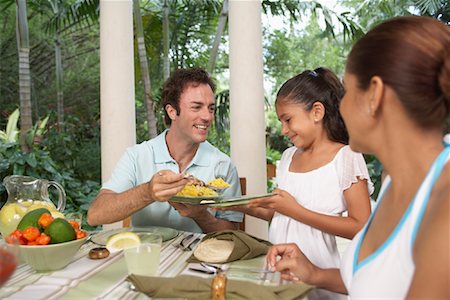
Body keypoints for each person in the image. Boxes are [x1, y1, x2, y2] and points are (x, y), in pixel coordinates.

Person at [267, 16, 450, 299]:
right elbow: (377, 281)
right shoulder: (395, 181)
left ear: (374, 94)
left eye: (348, 92)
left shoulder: (444, 203)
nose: (341, 108)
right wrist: (314, 273)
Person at [220, 67, 373, 299]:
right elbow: (280, 215)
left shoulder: (346, 157)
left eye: (288, 119)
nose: (283, 130)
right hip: (279, 275)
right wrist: (232, 204)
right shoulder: (288, 157)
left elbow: (361, 227)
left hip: (321, 283)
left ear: (317, 112)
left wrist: (295, 210)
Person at [87, 67, 243, 233]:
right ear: (172, 112)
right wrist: (148, 192)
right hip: (147, 255)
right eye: (196, 107)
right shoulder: (137, 156)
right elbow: (95, 215)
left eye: (211, 108)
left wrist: (200, 215)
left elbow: (233, 234)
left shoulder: (223, 165)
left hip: (199, 257)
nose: (207, 117)